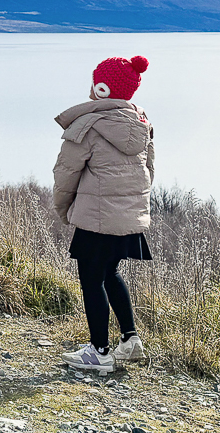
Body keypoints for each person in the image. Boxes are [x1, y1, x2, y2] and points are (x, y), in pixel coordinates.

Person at [52, 55, 154, 373]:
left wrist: (63, 208)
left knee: (91, 281)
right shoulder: (142, 125)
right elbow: (150, 173)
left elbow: (65, 173)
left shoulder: (88, 126)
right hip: (128, 218)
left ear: (101, 88)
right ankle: (130, 340)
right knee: (110, 274)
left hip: (96, 218)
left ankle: (99, 353)